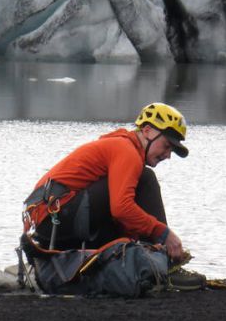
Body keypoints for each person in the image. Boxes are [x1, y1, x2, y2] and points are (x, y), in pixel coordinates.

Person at [21, 102, 203, 288]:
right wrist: (164, 234)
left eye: (171, 150)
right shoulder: (127, 151)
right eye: (166, 146)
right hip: (54, 220)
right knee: (145, 179)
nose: (168, 155)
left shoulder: (121, 146)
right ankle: (167, 265)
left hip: (48, 224)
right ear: (147, 130)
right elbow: (121, 209)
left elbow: (121, 212)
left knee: (128, 203)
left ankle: (152, 262)